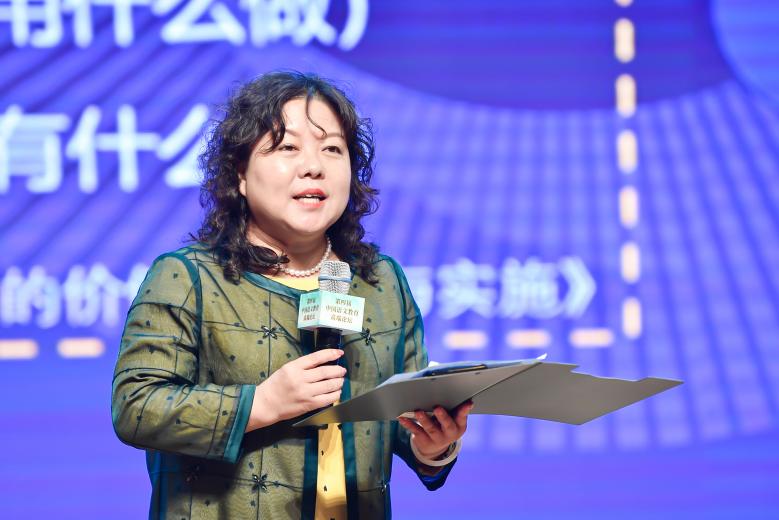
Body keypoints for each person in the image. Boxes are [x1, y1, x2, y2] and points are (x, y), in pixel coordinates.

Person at [111, 71, 472, 519]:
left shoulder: (380, 281)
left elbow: (400, 418)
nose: (314, 166)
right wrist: (261, 404)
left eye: (332, 149)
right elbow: (136, 406)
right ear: (239, 174)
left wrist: (433, 445)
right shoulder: (188, 277)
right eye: (287, 147)